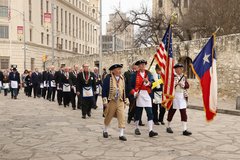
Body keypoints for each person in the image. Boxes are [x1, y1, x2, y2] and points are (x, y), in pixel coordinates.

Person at [130, 60, 158, 137]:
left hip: (147, 94)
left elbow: (152, 84)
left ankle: (150, 130)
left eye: (143, 64)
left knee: (150, 112)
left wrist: (147, 82)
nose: (142, 66)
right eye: (140, 65)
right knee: (138, 112)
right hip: (139, 94)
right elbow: (130, 86)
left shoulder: (148, 73)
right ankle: (136, 128)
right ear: (138, 66)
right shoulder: (134, 74)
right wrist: (134, 93)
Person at [102, 64, 128, 141]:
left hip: (120, 100)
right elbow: (104, 89)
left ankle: (121, 134)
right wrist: (105, 101)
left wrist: (125, 99)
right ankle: (105, 130)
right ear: (113, 71)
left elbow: (124, 90)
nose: (119, 71)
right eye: (117, 69)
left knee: (122, 116)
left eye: (120, 69)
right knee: (109, 116)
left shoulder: (122, 78)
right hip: (111, 100)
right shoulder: (108, 78)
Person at [166, 63, 192, 136]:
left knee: (183, 112)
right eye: (178, 68)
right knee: (172, 112)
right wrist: (175, 84)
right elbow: (168, 85)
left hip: (182, 96)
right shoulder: (172, 77)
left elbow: (187, 85)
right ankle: (168, 126)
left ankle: (184, 129)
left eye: (181, 68)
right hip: (174, 96)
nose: (180, 70)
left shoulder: (184, 77)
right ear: (175, 69)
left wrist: (182, 84)